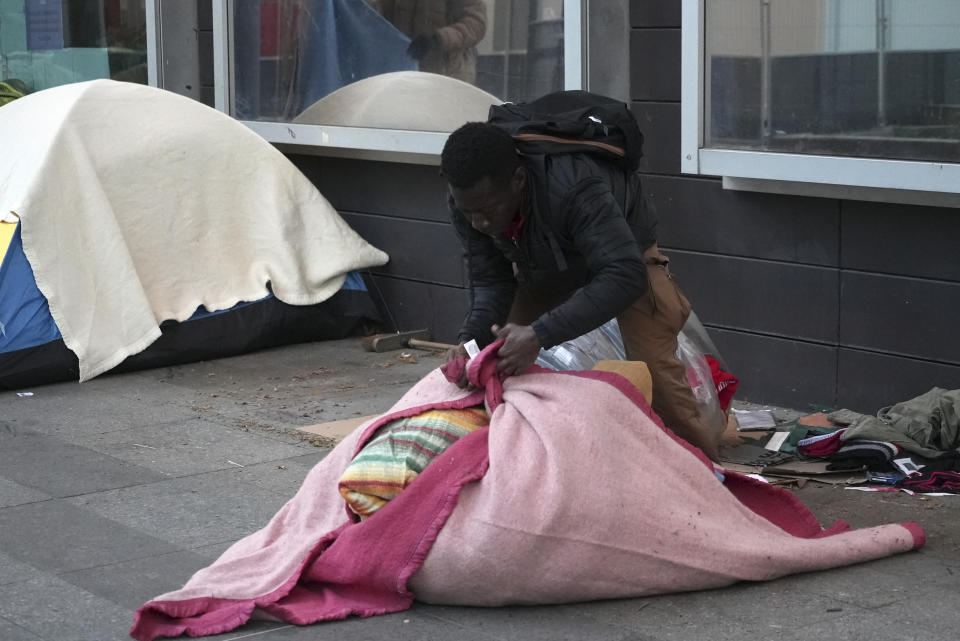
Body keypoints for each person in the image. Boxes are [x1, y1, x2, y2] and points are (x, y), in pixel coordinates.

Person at [439, 121, 721, 461]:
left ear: (518, 180)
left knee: (655, 369)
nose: (478, 224)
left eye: (486, 211)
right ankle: (508, 464)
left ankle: (706, 472)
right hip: (546, 261)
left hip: (625, 255)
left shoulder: (574, 185)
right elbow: (490, 281)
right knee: (498, 358)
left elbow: (624, 275)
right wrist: (471, 341)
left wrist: (540, 334)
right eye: (468, 213)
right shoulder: (469, 201)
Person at [366, 0, 487, 84]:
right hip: (403, 73)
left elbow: (476, 23)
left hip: (447, 76)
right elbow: (378, 12)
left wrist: (439, 39)